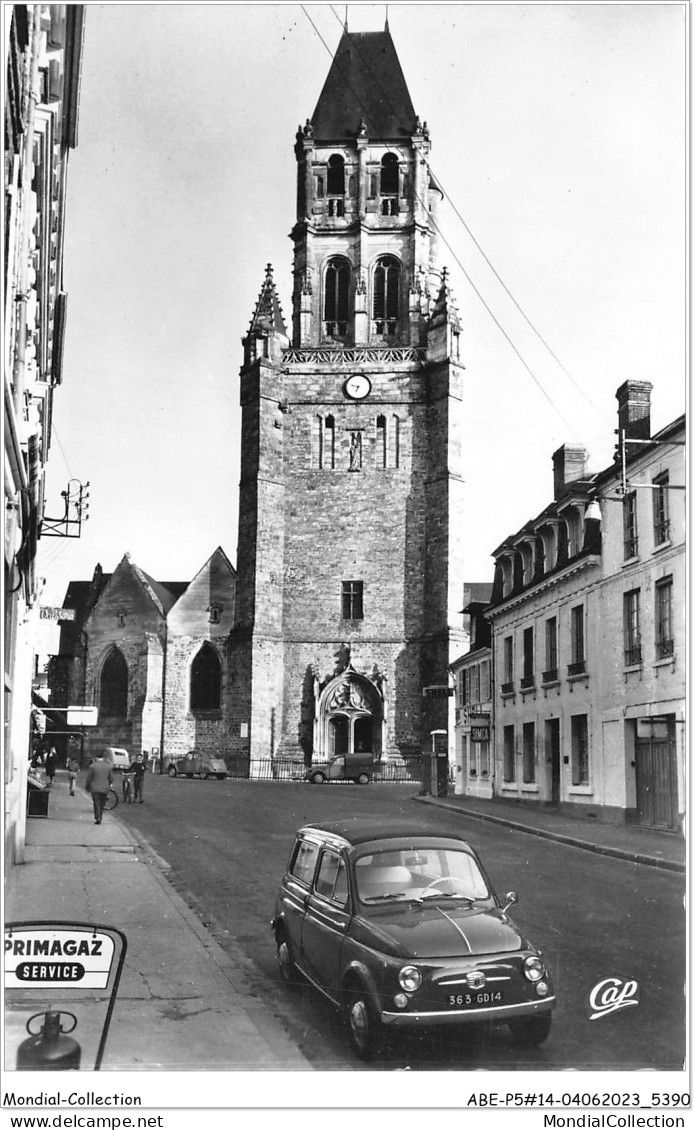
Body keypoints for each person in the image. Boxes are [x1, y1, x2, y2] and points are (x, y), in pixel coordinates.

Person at [85, 752, 113, 825]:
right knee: (102, 803)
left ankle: (98, 817)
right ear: (103, 758)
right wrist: (108, 784)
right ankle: (100, 815)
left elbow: (89, 778)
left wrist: (87, 787)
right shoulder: (108, 766)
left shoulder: (93, 766)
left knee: (96, 803)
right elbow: (111, 778)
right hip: (105, 787)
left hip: (95, 787)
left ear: (96, 758)